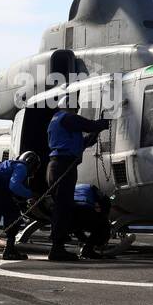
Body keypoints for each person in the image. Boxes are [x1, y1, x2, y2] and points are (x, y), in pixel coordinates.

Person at [45, 107, 110, 262]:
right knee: (63, 207)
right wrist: (103, 123)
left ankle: (60, 245)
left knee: (64, 206)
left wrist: (97, 131)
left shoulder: (59, 122)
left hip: (58, 165)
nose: (76, 111)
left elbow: (83, 141)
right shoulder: (67, 117)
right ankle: (57, 248)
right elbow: (89, 125)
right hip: (63, 165)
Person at [71, 184, 114, 259]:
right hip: (83, 209)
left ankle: (86, 245)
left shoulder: (74, 187)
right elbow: (106, 200)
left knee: (76, 227)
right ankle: (88, 249)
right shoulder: (91, 187)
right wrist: (104, 216)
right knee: (103, 226)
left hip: (68, 214)